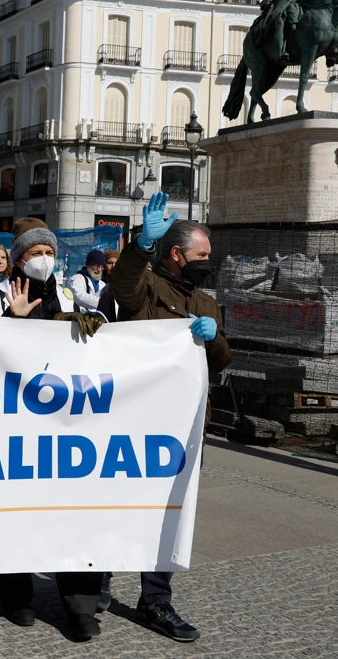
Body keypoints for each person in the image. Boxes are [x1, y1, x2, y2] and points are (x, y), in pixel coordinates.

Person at [104, 191, 231, 644]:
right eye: (201, 255)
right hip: (137, 423)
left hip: (185, 430)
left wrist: (214, 338)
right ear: (176, 254)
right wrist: (141, 246)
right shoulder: (146, 289)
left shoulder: (206, 302)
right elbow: (122, 286)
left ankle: (156, 599)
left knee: (169, 515)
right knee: (119, 505)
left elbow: (221, 360)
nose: (207, 262)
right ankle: (97, 574)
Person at [0, 219, 105, 641]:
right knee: (14, 512)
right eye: (34, 253)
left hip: (61, 422)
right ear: (17, 259)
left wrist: (95, 329)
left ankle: (81, 607)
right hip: (13, 422)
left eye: (48, 251)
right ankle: (16, 595)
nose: (44, 259)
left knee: (73, 511)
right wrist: (13, 322)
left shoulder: (66, 294)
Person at [67, 249, 108, 314]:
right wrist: (105, 304)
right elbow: (80, 297)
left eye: (102, 267)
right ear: (88, 265)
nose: (99, 270)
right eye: (96, 265)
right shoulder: (77, 279)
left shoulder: (102, 284)